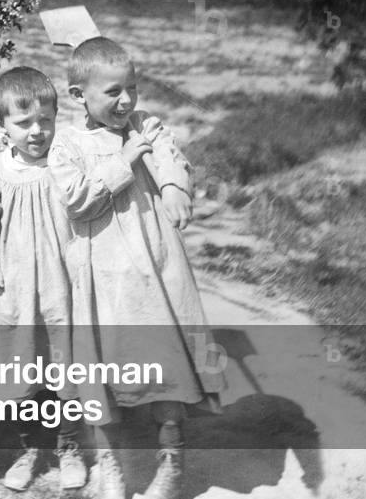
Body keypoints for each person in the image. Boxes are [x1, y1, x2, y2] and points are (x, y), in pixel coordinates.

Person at [47, 37, 224, 499]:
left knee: (166, 360)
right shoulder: (66, 144)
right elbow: (77, 201)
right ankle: (112, 466)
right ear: (77, 94)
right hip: (102, 281)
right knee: (102, 374)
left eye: (131, 87)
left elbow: (168, 154)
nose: (125, 100)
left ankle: (171, 460)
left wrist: (171, 185)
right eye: (112, 92)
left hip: (156, 270)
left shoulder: (145, 126)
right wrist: (122, 164)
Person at [0, 66, 86, 492]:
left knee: (67, 367)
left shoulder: (66, 164)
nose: (37, 131)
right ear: (1, 123)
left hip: (64, 287)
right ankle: (30, 449)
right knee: (20, 369)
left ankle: (69, 447)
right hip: (18, 291)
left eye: (46, 120)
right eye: (23, 123)